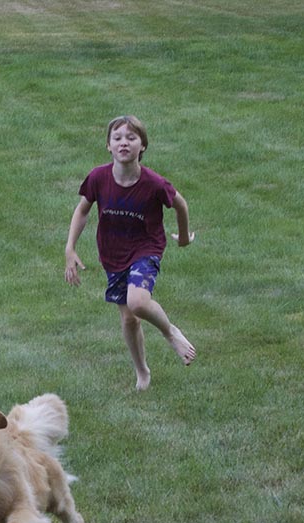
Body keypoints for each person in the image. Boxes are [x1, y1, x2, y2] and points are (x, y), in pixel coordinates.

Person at [65, 114, 196, 390]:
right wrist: (70, 249)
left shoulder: (154, 183)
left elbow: (180, 204)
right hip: (113, 253)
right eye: (117, 138)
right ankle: (142, 372)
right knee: (129, 318)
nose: (124, 142)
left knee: (137, 302)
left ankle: (170, 332)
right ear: (108, 146)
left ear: (143, 145)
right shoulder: (98, 177)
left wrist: (183, 236)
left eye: (131, 138)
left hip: (146, 248)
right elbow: (83, 210)